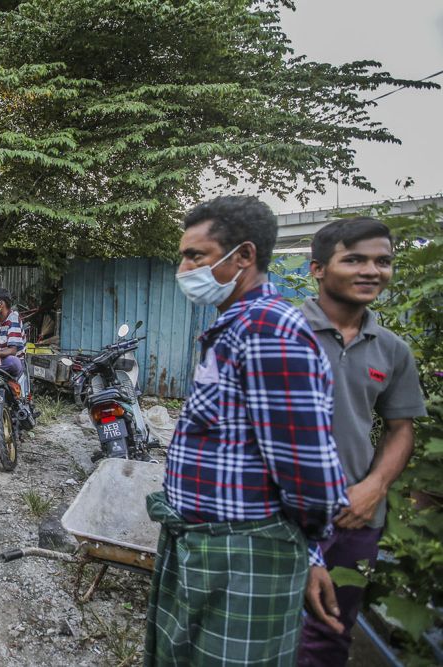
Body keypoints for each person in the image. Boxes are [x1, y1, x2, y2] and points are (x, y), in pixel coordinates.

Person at [144, 196, 349, 666]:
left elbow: (307, 469)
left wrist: (307, 547)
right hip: (212, 547)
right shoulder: (236, 326)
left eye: (196, 255)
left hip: (245, 554)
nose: (183, 269)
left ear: (244, 256)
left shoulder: (268, 330)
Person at [297, 219, 426, 667]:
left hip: (355, 516)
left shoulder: (392, 350)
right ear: (318, 268)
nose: (372, 270)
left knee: (331, 630)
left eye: (382, 261)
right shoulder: (277, 335)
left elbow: (400, 428)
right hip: (282, 514)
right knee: (263, 625)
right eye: (354, 259)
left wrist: (375, 487)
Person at [0, 288, 26, 378]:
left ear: (1, 304)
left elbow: (12, 351)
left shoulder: (13, 319)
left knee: (13, 362)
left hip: (11, 362)